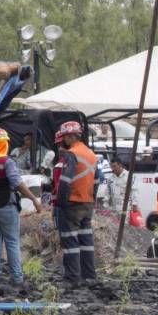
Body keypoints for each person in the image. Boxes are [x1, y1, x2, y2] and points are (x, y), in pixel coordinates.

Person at [0, 128, 39, 286]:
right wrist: (34, 199)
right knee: (12, 242)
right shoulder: (6, 162)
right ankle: (17, 278)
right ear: (3, 144)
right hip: (6, 207)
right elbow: (17, 183)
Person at [53, 120, 98, 288]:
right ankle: (89, 277)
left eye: (65, 137)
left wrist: (61, 203)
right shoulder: (90, 153)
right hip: (87, 203)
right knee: (86, 242)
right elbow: (96, 180)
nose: (64, 140)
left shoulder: (72, 154)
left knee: (70, 241)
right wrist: (91, 198)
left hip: (72, 203)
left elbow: (65, 181)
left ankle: (72, 279)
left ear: (71, 136)